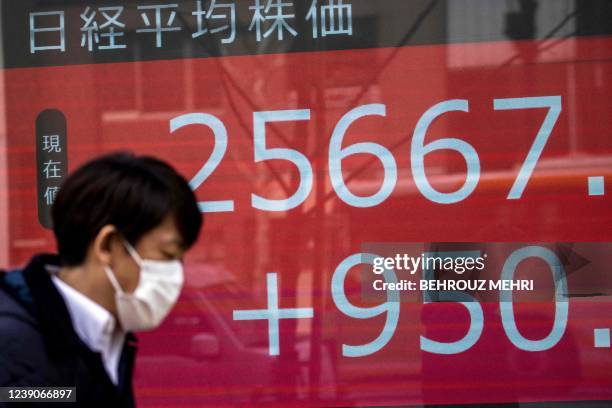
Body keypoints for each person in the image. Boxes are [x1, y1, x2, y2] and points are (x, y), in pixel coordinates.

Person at [0, 152, 203, 407]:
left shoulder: (109, 335)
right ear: (107, 245)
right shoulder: (12, 344)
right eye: (167, 255)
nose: (176, 274)